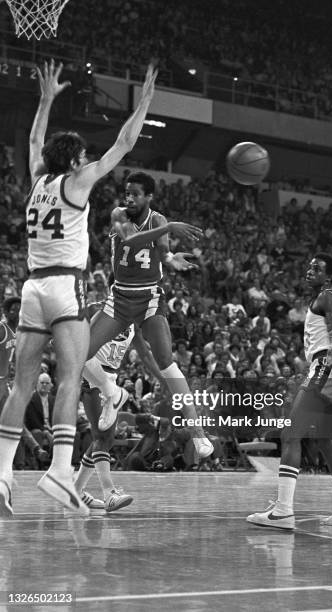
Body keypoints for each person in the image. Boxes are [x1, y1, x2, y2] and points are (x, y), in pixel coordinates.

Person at [0, 58, 157, 517]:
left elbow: (32, 141)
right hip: (65, 291)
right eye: (83, 156)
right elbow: (123, 145)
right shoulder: (75, 181)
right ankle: (60, 472)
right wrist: (144, 101)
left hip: (30, 289)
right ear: (73, 161)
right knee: (71, 376)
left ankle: (3, 476)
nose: (88, 160)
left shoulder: (37, 180)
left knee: (21, 386)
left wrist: (46, 100)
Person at [86, 171, 213, 459]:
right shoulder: (119, 214)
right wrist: (170, 228)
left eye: (135, 194)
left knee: (167, 361)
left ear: (149, 197)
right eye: (127, 192)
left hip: (149, 297)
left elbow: (164, 252)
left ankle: (198, 433)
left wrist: (172, 259)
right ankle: (111, 393)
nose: (129, 198)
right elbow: (130, 241)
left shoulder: (158, 220)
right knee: (79, 354)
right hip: (119, 296)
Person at [247, 253, 332, 529]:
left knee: (291, 435)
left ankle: (283, 511)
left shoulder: (327, 297)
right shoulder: (322, 299)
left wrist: (331, 355)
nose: (311, 270)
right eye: (310, 266)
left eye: (318, 268)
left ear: (329, 277)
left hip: (328, 367)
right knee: (324, 439)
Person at [73, 302, 164, 512]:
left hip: (111, 378)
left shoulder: (135, 322)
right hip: (92, 377)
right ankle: (109, 493)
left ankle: (76, 490)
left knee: (105, 438)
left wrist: (162, 378)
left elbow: (145, 354)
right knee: (101, 436)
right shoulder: (96, 309)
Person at [0, 298, 49, 469]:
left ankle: (34, 449)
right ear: (5, 312)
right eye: (13, 309)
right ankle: (34, 448)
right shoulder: (2, 328)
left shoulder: (17, 331)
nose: (17, 312)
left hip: (3, 383)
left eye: (19, 309)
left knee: (14, 420)